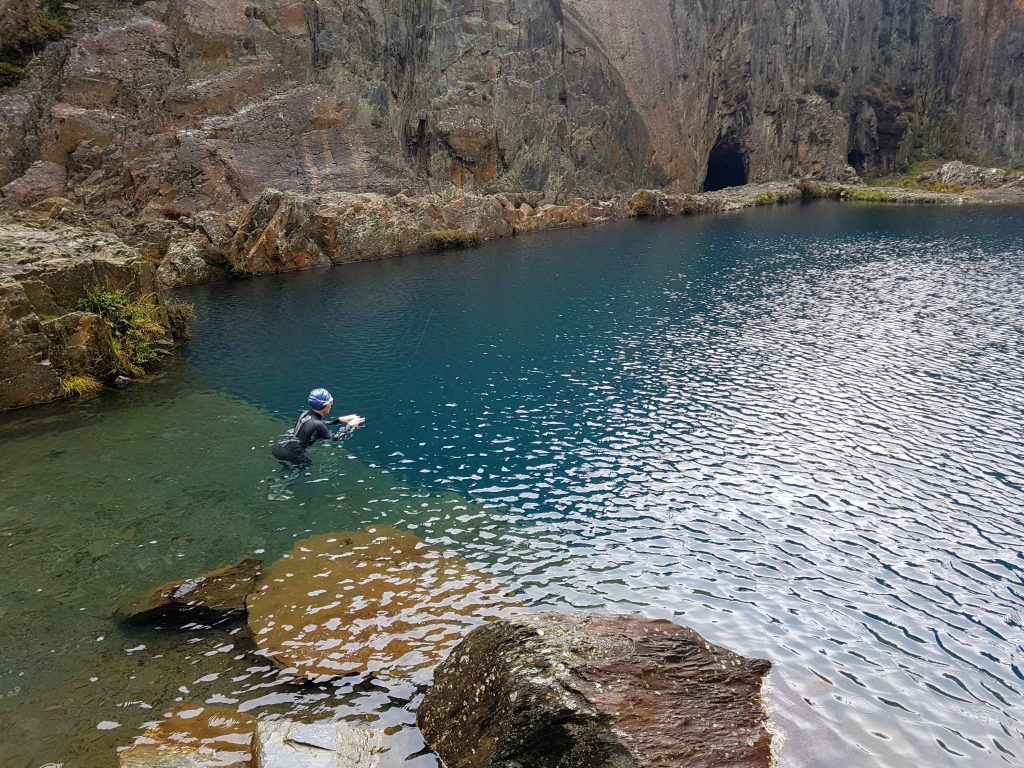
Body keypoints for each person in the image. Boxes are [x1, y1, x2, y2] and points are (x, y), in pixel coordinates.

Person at [272, 388, 365, 467]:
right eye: (331, 402)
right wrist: (350, 425)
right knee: (307, 466)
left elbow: (319, 424)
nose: (331, 405)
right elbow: (336, 438)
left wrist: (339, 420)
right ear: (324, 406)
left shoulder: (305, 414)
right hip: (291, 454)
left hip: (280, 448)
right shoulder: (317, 424)